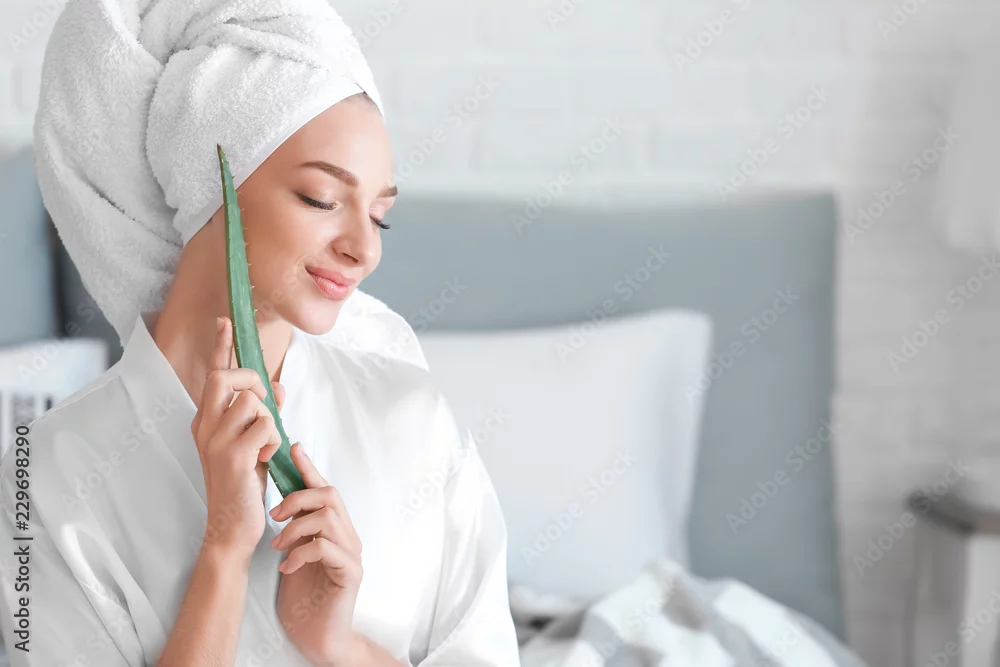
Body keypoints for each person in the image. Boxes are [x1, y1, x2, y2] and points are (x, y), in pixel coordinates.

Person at [0, 0, 521, 665]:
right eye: (321, 199)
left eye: (379, 216)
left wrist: (337, 644)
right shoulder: (43, 476)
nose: (365, 250)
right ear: (210, 182)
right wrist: (223, 551)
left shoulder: (412, 420)